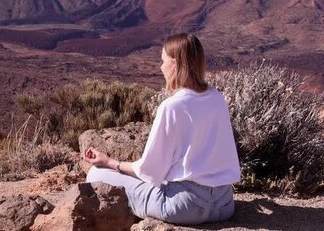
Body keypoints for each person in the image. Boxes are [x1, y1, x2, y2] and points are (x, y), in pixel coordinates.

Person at [83, 33, 240, 225]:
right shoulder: (217, 98)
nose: (160, 67)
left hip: (184, 208)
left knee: (96, 174)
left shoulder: (172, 106)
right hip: (224, 205)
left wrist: (110, 162)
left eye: (162, 60)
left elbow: (149, 170)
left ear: (174, 64)